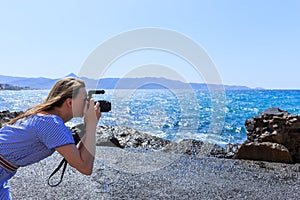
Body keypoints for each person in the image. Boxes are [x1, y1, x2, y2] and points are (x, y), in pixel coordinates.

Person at [0, 77, 101, 199]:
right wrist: (91, 125)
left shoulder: (45, 118)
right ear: (69, 102)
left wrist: (89, 125)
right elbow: (85, 167)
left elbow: (82, 160)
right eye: (85, 99)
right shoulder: (51, 124)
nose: (89, 102)